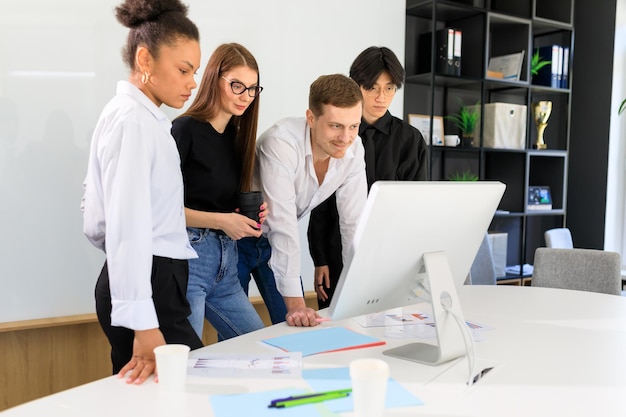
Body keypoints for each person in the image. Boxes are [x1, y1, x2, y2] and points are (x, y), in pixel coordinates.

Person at [81, 0, 203, 385]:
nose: (192, 82)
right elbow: (123, 226)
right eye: (184, 69)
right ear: (145, 59)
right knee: (176, 394)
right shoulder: (132, 121)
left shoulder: (143, 119)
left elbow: (101, 221)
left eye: (194, 71)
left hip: (154, 280)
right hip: (149, 286)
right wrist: (143, 322)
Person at [308, 46, 429, 309]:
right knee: (336, 328)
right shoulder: (337, 132)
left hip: (391, 255)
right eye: (372, 87)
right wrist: (320, 258)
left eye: (389, 88)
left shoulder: (410, 140)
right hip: (335, 249)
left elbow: (414, 206)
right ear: (356, 85)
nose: (381, 97)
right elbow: (320, 200)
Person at [171, 43, 266, 340]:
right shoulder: (184, 130)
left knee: (259, 347)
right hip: (190, 261)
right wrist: (223, 221)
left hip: (227, 264)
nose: (246, 97)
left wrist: (246, 214)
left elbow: (222, 204)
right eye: (237, 86)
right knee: (186, 360)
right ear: (214, 78)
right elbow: (161, 211)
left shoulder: (237, 139)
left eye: (252, 89)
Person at [257, 73, 368, 327]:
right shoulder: (280, 143)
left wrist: (360, 289)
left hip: (273, 244)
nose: (346, 137)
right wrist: (297, 304)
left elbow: (354, 224)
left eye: (354, 126)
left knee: (291, 330)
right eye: (336, 126)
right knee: (239, 340)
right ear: (311, 118)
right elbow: (283, 224)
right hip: (238, 243)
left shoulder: (354, 149)